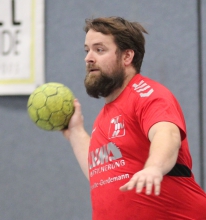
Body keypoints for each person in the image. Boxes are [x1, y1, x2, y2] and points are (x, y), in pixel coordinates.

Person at [63, 16, 206, 219]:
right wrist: (75, 132)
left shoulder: (147, 94)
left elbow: (167, 134)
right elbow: (102, 174)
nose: (89, 58)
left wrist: (154, 168)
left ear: (127, 56)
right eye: (87, 50)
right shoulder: (103, 118)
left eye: (99, 49)